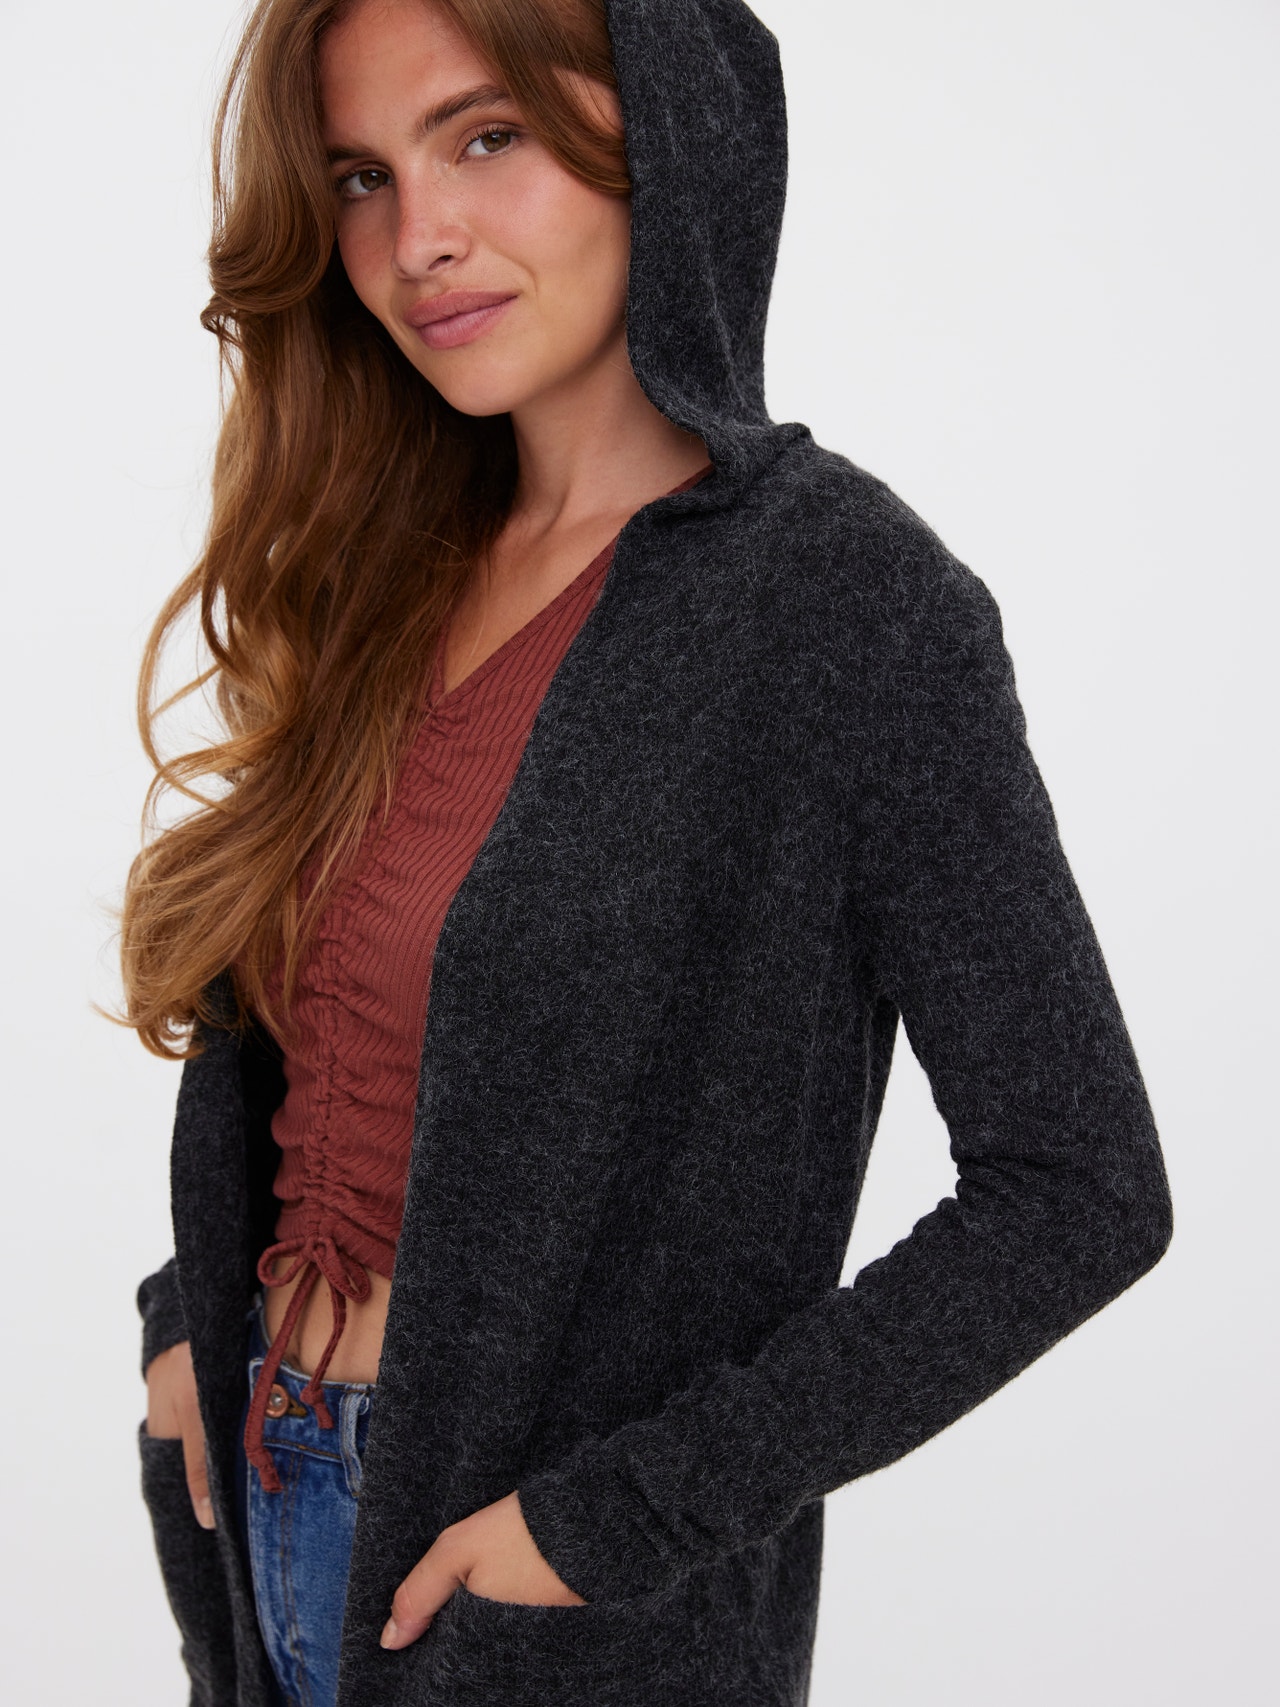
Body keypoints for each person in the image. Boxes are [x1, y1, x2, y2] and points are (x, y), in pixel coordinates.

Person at [122, 1, 1175, 1704]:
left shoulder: (841, 602)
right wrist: (189, 1318)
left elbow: (1079, 1191)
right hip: (264, 1508)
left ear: (669, 136)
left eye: (486, 138)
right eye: (362, 177)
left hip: (542, 1611)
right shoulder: (383, 567)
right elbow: (329, 1047)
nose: (418, 238)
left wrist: (615, 1523)